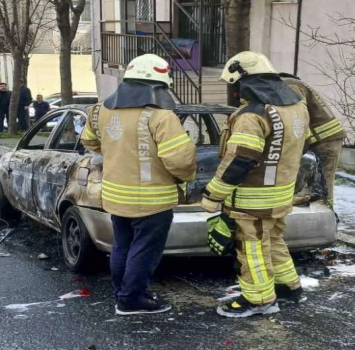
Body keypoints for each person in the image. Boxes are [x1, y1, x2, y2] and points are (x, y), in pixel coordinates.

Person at [80, 54, 197, 315]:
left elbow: (89, 141)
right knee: (144, 251)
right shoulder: (160, 116)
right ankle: (132, 299)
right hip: (153, 198)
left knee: (122, 246)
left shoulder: (100, 109)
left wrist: (115, 152)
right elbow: (179, 160)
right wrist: (187, 178)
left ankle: (122, 294)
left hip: (115, 195)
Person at [201, 51, 309, 318]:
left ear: (243, 81)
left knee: (251, 249)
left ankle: (259, 300)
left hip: (252, 200)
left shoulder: (253, 115)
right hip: (281, 194)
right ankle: (288, 286)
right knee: (273, 241)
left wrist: (213, 194)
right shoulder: (296, 107)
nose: (234, 92)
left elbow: (240, 159)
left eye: (233, 85)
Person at [279, 73, 345, 208]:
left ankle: (327, 213)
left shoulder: (289, 86)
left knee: (324, 182)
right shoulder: (293, 84)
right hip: (323, 138)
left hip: (325, 140)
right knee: (319, 181)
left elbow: (299, 117)